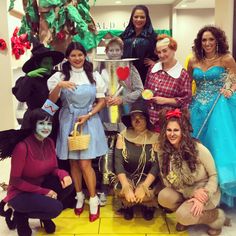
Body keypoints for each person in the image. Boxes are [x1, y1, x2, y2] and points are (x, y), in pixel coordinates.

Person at [47, 42, 108, 222]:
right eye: (73, 55)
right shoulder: (59, 76)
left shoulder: (94, 75)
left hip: (89, 120)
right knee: (73, 163)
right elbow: (50, 102)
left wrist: (89, 115)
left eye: (80, 55)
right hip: (68, 121)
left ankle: (93, 199)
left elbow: (102, 101)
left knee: (85, 164)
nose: (77, 58)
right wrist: (59, 86)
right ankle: (79, 196)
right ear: (68, 57)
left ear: (85, 56)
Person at [157, 108, 230, 236]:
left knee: (182, 216)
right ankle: (188, 215)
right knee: (164, 197)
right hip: (183, 189)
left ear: (183, 132)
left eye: (176, 130)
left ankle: (217, 217)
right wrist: (190, 193)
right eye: (169, 130)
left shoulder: (198, 149)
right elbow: (166, 180)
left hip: (205, 190)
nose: (172, 134)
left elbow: (213, 176)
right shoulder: (163, 152)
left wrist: (202, 196)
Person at [0, 108, 73, 236]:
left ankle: (41, 211)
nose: (46, 127)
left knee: (68, 185)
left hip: (38, 188)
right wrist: (45, 192)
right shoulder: (22, 147)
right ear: (33, 125)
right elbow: (15, 181)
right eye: (41, 123)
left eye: (49, 124)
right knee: (55, 208)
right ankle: (20, 214)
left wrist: (64, 175)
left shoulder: (49, 142)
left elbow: (54, 169)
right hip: (20, 193)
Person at [188, 25, 236, 207]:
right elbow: (188, 83)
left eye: (211, 40)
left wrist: (230, 89)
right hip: (197, 108)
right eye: (204, 40)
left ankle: (220, 197)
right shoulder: (194, 61)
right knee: (198, 147)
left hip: (219, 108)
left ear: (218, 41)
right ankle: (199, 190)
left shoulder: (226, 59)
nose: (207, 43)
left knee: (218, 147)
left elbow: (234, 80)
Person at [114, 99, 159, 221]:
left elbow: (156, 166)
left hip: (147, 178)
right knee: (121, 190)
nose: (137, 120)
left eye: (141, 117)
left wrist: (144, 186)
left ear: (146, 119)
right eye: (134, 117)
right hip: (128, 176)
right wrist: (126, 186)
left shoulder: (155, 138)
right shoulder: (122, 136)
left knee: (148, 193)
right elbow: (118, 163)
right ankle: (128, 205)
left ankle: (147, 206)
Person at [145, 34, 192, 132]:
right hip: (149, 121)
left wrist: (166, 100)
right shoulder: (152, 69)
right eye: (159, 52)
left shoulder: (182, 74)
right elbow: (147, 89)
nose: (161, 55)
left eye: (165, 51)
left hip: (169, 124)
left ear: (173, 49)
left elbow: (186, 101)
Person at [12, 42, 64, 130]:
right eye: (46, 63)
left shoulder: (56, 78)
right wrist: (29, 77)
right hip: (33, 122)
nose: (49, 66)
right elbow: (21, 97)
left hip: (53, 122)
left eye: (51, 63)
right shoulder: (28, 79)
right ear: (37, 64)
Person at [120, 5, 158, 84]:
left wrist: (156, 63)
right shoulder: (124, 35)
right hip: (126, 72)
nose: (139, 19)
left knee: (144, 95)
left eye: (142, 17)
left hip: (145, 74)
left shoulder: (153, 36)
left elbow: (164, 52)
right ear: (132, 18)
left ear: (147, 18)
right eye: (136, 17)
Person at [104, 36, 144, 107]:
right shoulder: (101, 67)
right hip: (106, 107)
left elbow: (140, 90)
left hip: (126, 107)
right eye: (111, 50)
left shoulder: (130, 67)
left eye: (117, 50)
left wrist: (123, 99)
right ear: (106, 52)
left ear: (122, 52)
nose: (114, 53)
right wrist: (103, 98)